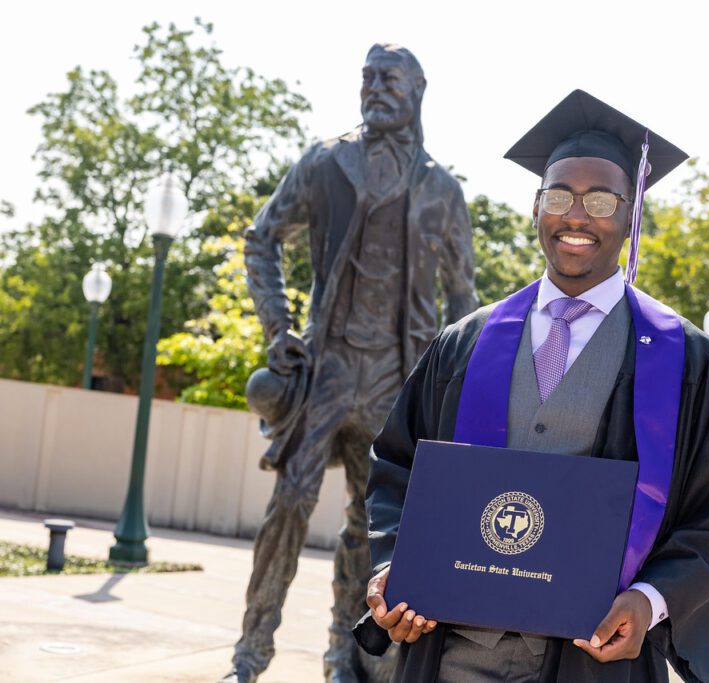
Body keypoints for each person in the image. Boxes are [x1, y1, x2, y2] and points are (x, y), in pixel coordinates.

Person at [354, 90, 709, 683]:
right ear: (536, 207)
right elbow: (396, 469)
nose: (577, 216)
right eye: (560, 195)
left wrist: (649, 600)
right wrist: (397, 567)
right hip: (453, 654)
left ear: (630, 215)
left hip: (589, 660)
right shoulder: (465, 343)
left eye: (601, 199)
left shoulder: (686, 360)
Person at [225, 44, 476, 683]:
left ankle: (345, 661)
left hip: (398, 380)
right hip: (327, 368)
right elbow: (262, 238)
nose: (373, 86)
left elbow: (464, 301)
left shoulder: (443, 190)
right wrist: (279, 327)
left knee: (371, 530)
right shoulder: (323, 163)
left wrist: (450, 392)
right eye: (366, 76)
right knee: (288, 507)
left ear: (418, 89)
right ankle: (249, 658)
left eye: (388, 77)